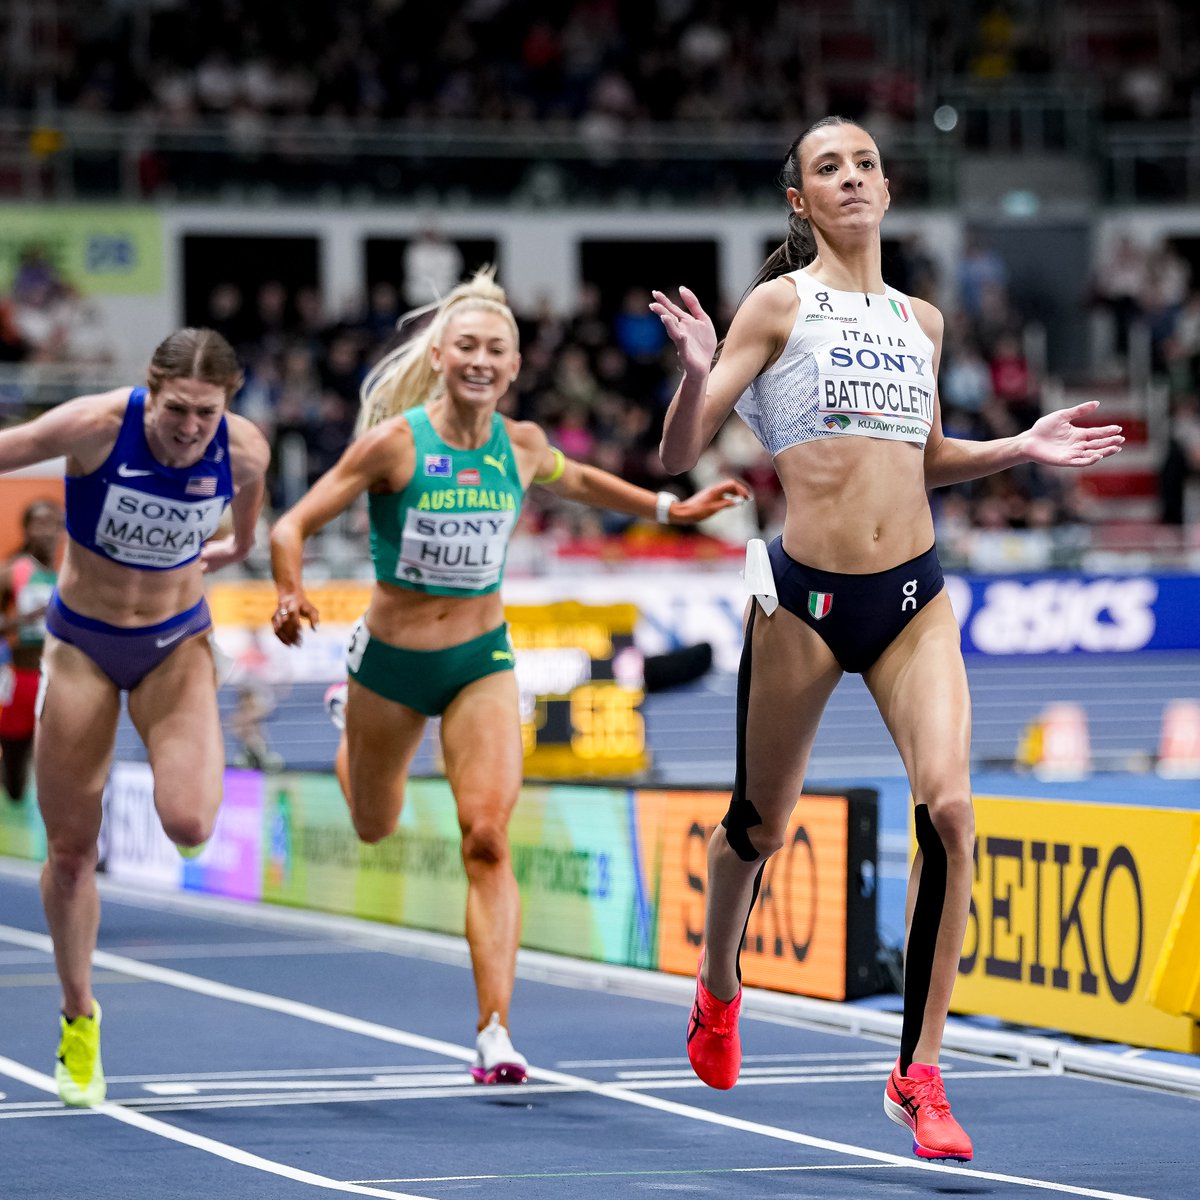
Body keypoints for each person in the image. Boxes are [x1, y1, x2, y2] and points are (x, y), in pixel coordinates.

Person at [652, 116, 1123, 1163]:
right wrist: (695, 370)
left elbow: (920, 460)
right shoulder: (778, 303)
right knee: (757, 829)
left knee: (952, 811)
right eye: (829, 167)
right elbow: (679, 454)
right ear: (801, 200)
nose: (851, 177)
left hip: (915, 596)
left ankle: (917, 1073)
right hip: (806, 603)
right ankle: (720, 982)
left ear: (888, 187)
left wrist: (1022, 445)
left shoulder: (925, 319)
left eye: (864, 163)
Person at [269, 268, 749, 1085]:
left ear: (517, 363)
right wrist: (288, 591)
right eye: (467, 346)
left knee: (487, 838)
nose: (482, 359)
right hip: (388, 664)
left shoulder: (520, 445)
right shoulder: (394, 444)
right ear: (442, 355)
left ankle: (495, 1032)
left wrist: (672, 510)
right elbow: (292, 523)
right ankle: (349, 726)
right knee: (374, 823)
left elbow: (585, 481)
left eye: (497, 347)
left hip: (479, 661)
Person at [0, 328, 271, 1107]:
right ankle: (78, 1014)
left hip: (175, 644)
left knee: (189, 823)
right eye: (177, 409)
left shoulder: (243, 449)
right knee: (73, 852)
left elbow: (248, 522)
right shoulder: (92, 427)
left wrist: (236, 546)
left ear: (229, 402)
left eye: (207, 413)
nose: (191, 429)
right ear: (149, 389)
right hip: (82, 646)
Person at [0, 499, 65, 802]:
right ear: (26, 530)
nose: (48, 532)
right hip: (20, 679)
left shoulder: (68, 576)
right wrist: (23, 619)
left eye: (54, 524)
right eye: (39, 524)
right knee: (15, 766)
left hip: (57, 680)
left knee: (54, 761)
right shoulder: (13, 572)